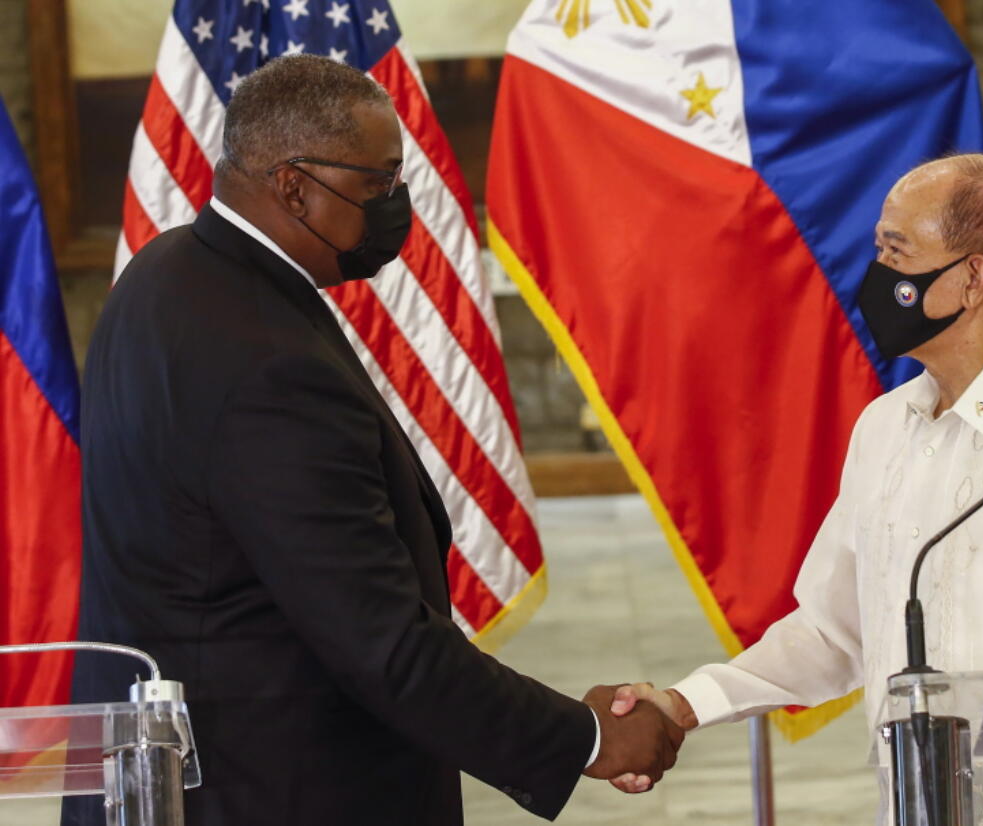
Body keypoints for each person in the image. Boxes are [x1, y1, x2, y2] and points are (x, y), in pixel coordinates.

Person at [64, 55, 681, 826]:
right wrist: (585, 737)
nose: (396, 207)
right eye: (377, 186)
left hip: (180, 777)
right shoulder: (263, 359)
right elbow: (377, 640)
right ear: (293, 185)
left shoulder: (166, 278)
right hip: (273, 789)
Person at [608, 154, 983, 824]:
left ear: (973, 278)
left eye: (897, 251)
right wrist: (684, 704)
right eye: (878, 250)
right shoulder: (886, 428)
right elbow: (834, 632)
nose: (879, 276)